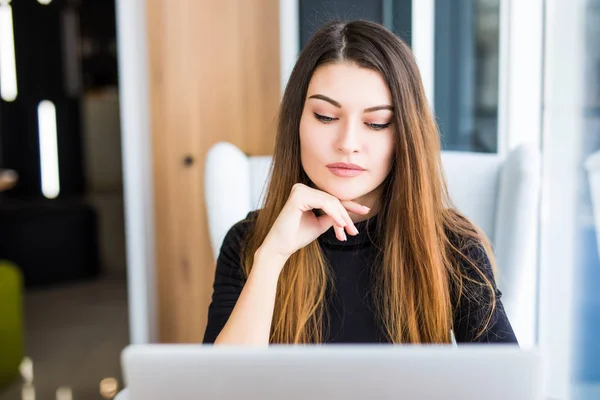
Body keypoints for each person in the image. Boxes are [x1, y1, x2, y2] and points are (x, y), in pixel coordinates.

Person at [203, 20, 517, 345]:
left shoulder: (453, 247)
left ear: (405, 135)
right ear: (295, 122)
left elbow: (510, 386)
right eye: (325, 117)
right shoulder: (249, 243)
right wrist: (270, 259)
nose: (348, 142)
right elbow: (220, 388)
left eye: (376, 123)